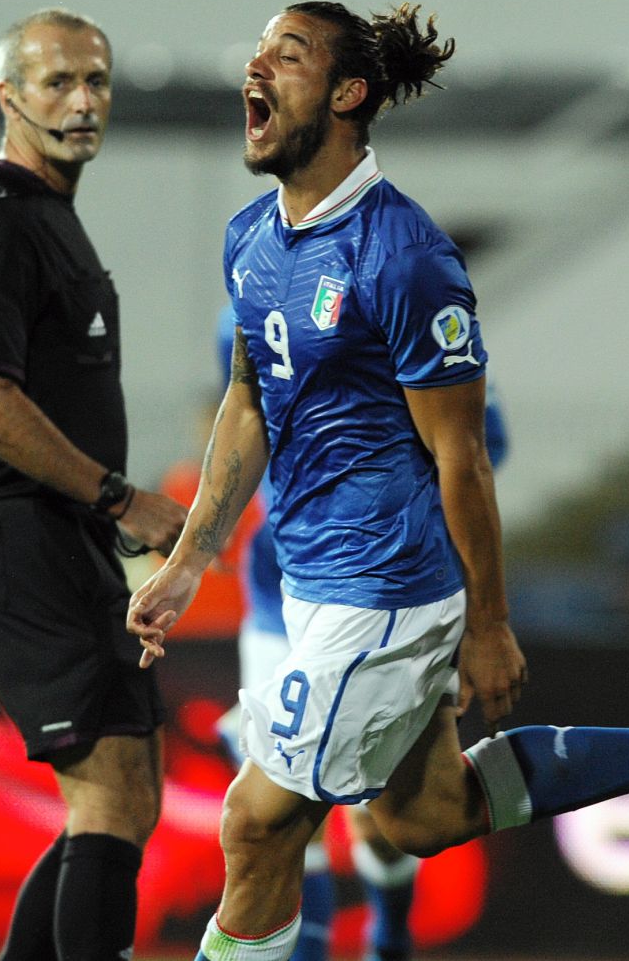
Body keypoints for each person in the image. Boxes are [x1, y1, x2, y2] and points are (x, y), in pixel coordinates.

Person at [125, 0, 629, 961]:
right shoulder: (252, 238)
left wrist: (488, 625)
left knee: (256, 824)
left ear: (347, 93)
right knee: (423, 814)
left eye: (285, 56)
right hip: (316, 584)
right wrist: (193, 555)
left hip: (386, 591)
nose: (256, 68)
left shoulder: (405, 255)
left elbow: (464, 457)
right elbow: (249, 400)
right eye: (257, 52)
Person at [0, 8, 187, 961]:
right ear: (11, 97)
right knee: (111, 794)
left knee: (125, 799)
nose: (84, 102)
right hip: (20, 542)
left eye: (97, 81)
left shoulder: (48, 219)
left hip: (63, 542)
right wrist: (121, 499)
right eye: (58, 84)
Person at [211, 304, 513, 961]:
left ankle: (390, 935)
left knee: (384, 820)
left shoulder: (409, 301)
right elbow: (240, 423)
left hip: (384, 592)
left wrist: (472, 615)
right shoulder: (248, 300)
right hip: (279, 595)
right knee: (281, 820)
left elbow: (474, 452)